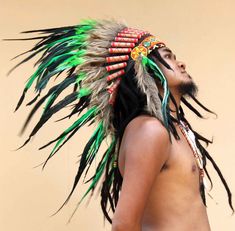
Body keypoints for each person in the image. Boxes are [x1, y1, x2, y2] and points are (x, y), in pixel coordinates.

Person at [9, 19, 233, 230]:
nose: (181, 63)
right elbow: (124, 225)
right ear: (145, 71)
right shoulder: (149, 130)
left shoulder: (176, 129)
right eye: (169, 57)